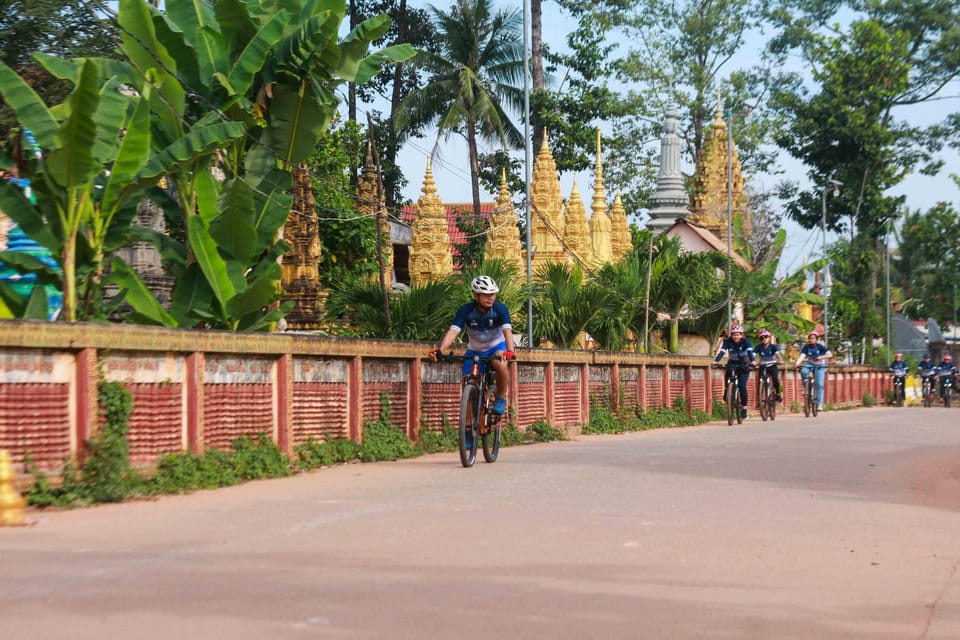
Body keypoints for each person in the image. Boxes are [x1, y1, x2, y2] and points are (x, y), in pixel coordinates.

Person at [429, 275, 515, 416]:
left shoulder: (500, 309)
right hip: (475, 351)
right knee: (467, 388)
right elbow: (453, 331)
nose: (491, 297)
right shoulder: (466, 310)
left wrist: (510, 351)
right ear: (476, 295)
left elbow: (507, 331)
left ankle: (500, 397)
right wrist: (440, 350)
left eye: (492, 294)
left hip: (496, 347)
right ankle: (468, 431)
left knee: (501, 363)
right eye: (486, 294)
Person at [713, 325, 755, 419]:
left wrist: (753, 361)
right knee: (728, 373)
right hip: (732, 362)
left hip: (744, 363)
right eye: (734, 335)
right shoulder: (728, 341)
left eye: (738, 335)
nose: (736, 337)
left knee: (741, 385)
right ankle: (727, 391)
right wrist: (716, 361)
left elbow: (749, 352)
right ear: (731, 335)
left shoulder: (746, 342)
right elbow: (722, 351)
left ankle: (744, 409)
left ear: (741, 335)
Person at [795, 330, 832, 411]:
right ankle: (806, 388)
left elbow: (830, 354)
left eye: (813, 338)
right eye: (810, 338)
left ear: (816, 339)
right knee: (803, 371)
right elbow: (802, 355)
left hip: (820, 366)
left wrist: (820, 357)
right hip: (810, 364)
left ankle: (820, 404)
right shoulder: (806, 347)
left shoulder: (820, 346)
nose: (811, 340)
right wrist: (797, 363)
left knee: (819, 384)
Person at [754, 329, 784, 402]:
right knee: (760, 382)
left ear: (769, 338)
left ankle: (778, 394)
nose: (764, 339)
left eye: (766, 337)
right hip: (763, 366)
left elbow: (777, 355)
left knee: (775, 379)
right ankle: (760, 400)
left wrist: (780, 361)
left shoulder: (773, 347)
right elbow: (752, 355)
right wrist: (753, 361)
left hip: (772, 365)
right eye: (762, 338)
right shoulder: (758, 347)